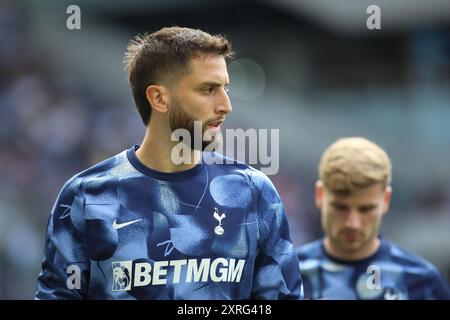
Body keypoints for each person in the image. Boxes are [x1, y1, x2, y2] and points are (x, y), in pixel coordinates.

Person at [35, 26, 302, 300]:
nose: (226, 105)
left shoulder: (254, 193)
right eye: (208, 89)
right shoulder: (86, 196)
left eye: (225, 88)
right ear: (159, 98)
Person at [296, 137, 450, 300]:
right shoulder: (285, 275)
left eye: (366, 209)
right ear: (319, 195)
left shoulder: (423, 283)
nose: (352, 223)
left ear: (386, 200)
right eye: (340, 207)